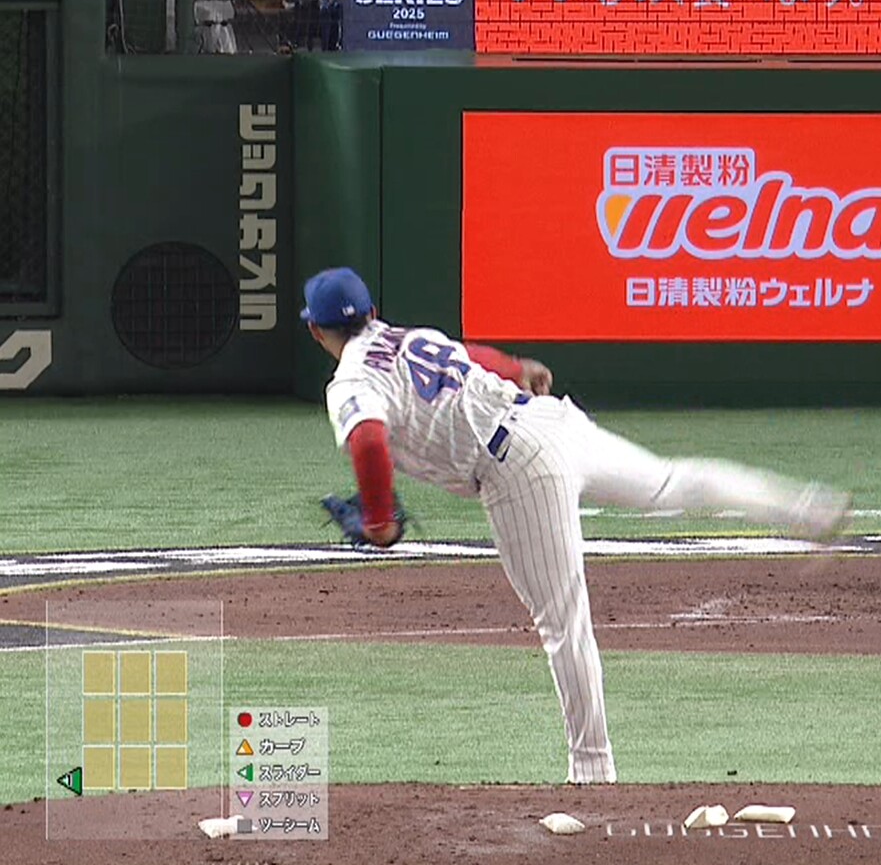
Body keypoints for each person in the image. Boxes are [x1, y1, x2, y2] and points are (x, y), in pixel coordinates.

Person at [301, 267, 850, 783]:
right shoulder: (409, 337)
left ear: (315, 331)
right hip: (551, 420)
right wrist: (515, 367)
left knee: (562, 622)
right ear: (372, 311)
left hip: (517, 466)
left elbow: (368, 439)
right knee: (671, 482)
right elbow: (468, 356)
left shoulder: (351, 379)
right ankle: (811, 510)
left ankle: (592, 771)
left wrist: (379, 521)